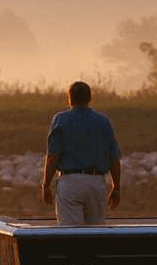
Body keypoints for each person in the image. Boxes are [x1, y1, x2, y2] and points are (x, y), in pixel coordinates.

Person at [41, 81, 122, 225]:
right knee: (96, 233)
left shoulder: (60, 120)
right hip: (96, 182)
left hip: (70, 181)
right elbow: (114, 157)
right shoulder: (103, 121)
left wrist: (46, 184)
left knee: (70, 234)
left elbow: (53, 156)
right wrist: (116, 186)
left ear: (70, 99)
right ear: (89, 99)